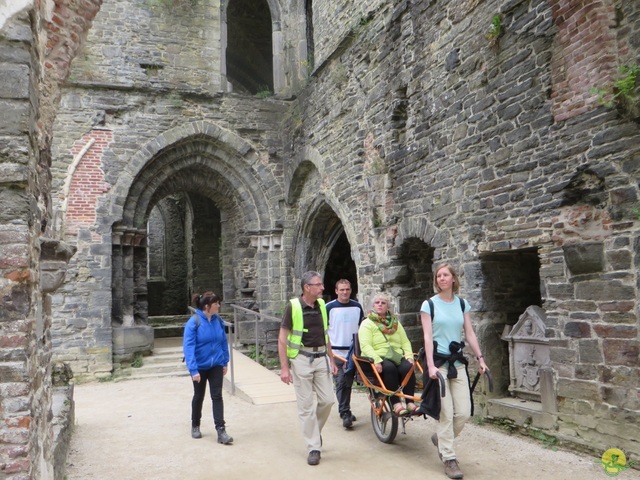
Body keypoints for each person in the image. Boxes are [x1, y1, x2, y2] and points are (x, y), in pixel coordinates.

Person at [420, 263, 488, 480]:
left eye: (445, 275)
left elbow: (469, 333)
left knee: (464, 412)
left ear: (453, 279)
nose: (442, 278)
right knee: (446, 413)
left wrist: (480, 359)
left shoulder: (461, 303)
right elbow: (428, 337)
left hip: (457, 363)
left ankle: (440, 438)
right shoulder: (428, 305)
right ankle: (449, 459)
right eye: (438, 275)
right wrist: (430, 365)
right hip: (438, 363)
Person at [278, 271, 338, 466]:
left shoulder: (321, 305)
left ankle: (314, 433)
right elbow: (282, 339)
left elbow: (326, 334)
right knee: (305, 407)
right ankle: (313, 447)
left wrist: (332, 359)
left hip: (321, 358)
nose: (322, 288)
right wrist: (285, 368)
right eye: (318, 285)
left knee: (328, 400)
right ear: (307, 287)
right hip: (301, 359)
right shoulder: (293, 307)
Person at [183, 291, 233, 445]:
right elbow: (188, 347)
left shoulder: (218, 321)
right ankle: (195, 425)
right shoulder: (194, 322)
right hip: (200, 367)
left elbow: (223, 341)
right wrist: (193, 370)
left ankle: (221, 431)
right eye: (216, 303)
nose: (219, 305)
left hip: (216, 364)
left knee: (217, 396)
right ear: (207, 306)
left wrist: (225, 361)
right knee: (199, 396)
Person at [358, 292, 417, 415]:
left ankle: (410, 401)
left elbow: (405, 341)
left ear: (387, 306)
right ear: (373, 306)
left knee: (408, 367)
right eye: (377, 303)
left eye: (383, 303)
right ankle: (396, 403)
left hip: (396, 356)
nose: (380, 305)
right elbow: (365, 345)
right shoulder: (367, 323)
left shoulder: (395, 323)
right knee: (389, 368)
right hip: (377, 356)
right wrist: (376, 359)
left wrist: (409, 356)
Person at [326, 279, 365, 429]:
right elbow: (325, 330)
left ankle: (345, 409)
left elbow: (362, 327)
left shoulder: (357, 307)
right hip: (336, 352)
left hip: (353, 351)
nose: (344, 292)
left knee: (348, 381)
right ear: (336, 291)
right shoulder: (329, 307)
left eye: (347, 289)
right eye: (341, 289)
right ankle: (345, 413)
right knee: (341, 381)